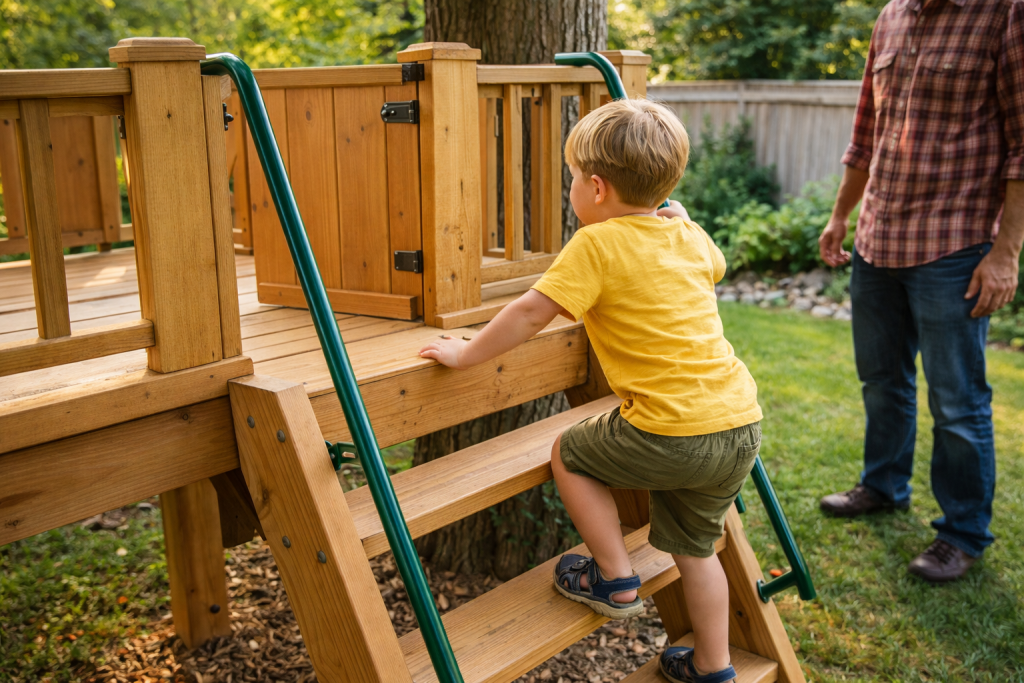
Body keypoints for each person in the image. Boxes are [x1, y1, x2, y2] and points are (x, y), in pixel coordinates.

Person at [420, 99, 762, 683]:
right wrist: (678, 217)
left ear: (597, 188)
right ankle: (713, 667)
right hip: (738, 424)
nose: (572, 189)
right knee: (697, 552)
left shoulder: (596, 244)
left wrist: (466, 353)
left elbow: (532, 312)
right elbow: (714, 267)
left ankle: (615, 578)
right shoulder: (688, 233)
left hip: (668, 431)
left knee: (569, 453)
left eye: (574, 178)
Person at [818, 0, 1024, 583]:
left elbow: (1022, 146)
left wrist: (1006, 253)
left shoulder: (1004, 13)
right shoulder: (890, 16)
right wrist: (840, 216)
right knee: (882, 380)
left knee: (957, 401)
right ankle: (883, 485)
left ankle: (962, 532)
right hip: (877, 237)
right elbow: (865, 136)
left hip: (954, 243)